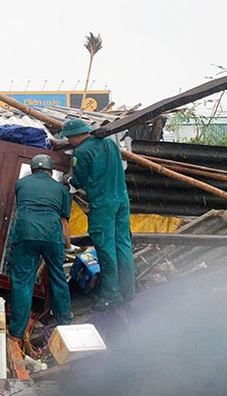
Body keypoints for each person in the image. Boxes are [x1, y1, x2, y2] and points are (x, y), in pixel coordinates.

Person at [61, 118, 134, 310]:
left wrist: (69, 180)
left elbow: (79, 180)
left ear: (76, 135)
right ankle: (129, 290)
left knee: (105, 248)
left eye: (69, 138)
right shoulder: (109, 143)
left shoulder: (82, 152)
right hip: (121, 199)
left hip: (102, 204)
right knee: (123, 244)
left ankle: (111, 294)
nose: (69, 142)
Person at [8, 154, 73, 342]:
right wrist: (67, 247)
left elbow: (22, 206)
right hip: (52, 235)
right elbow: (63, 222)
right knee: (57, 277)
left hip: (26, 233)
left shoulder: (20, 184)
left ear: (33, 169)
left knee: (22, 282)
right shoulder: (60, 190)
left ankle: (16, 332)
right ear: (51, 171)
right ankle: (65, 321)